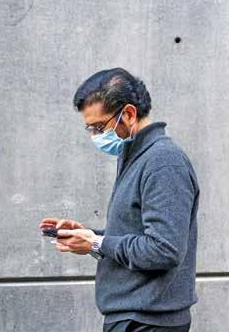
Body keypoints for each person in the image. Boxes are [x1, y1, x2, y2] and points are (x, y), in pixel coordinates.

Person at [39, 68, 199, 332]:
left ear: (129, 114)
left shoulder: (163, 162)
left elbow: (164, 249)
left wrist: (98, 242)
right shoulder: (136, 156)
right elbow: (136, 235)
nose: (95, 136)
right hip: (136, 317)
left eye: (99, 127)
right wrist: (89, 238)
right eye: (90, 128)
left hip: (148, 321)